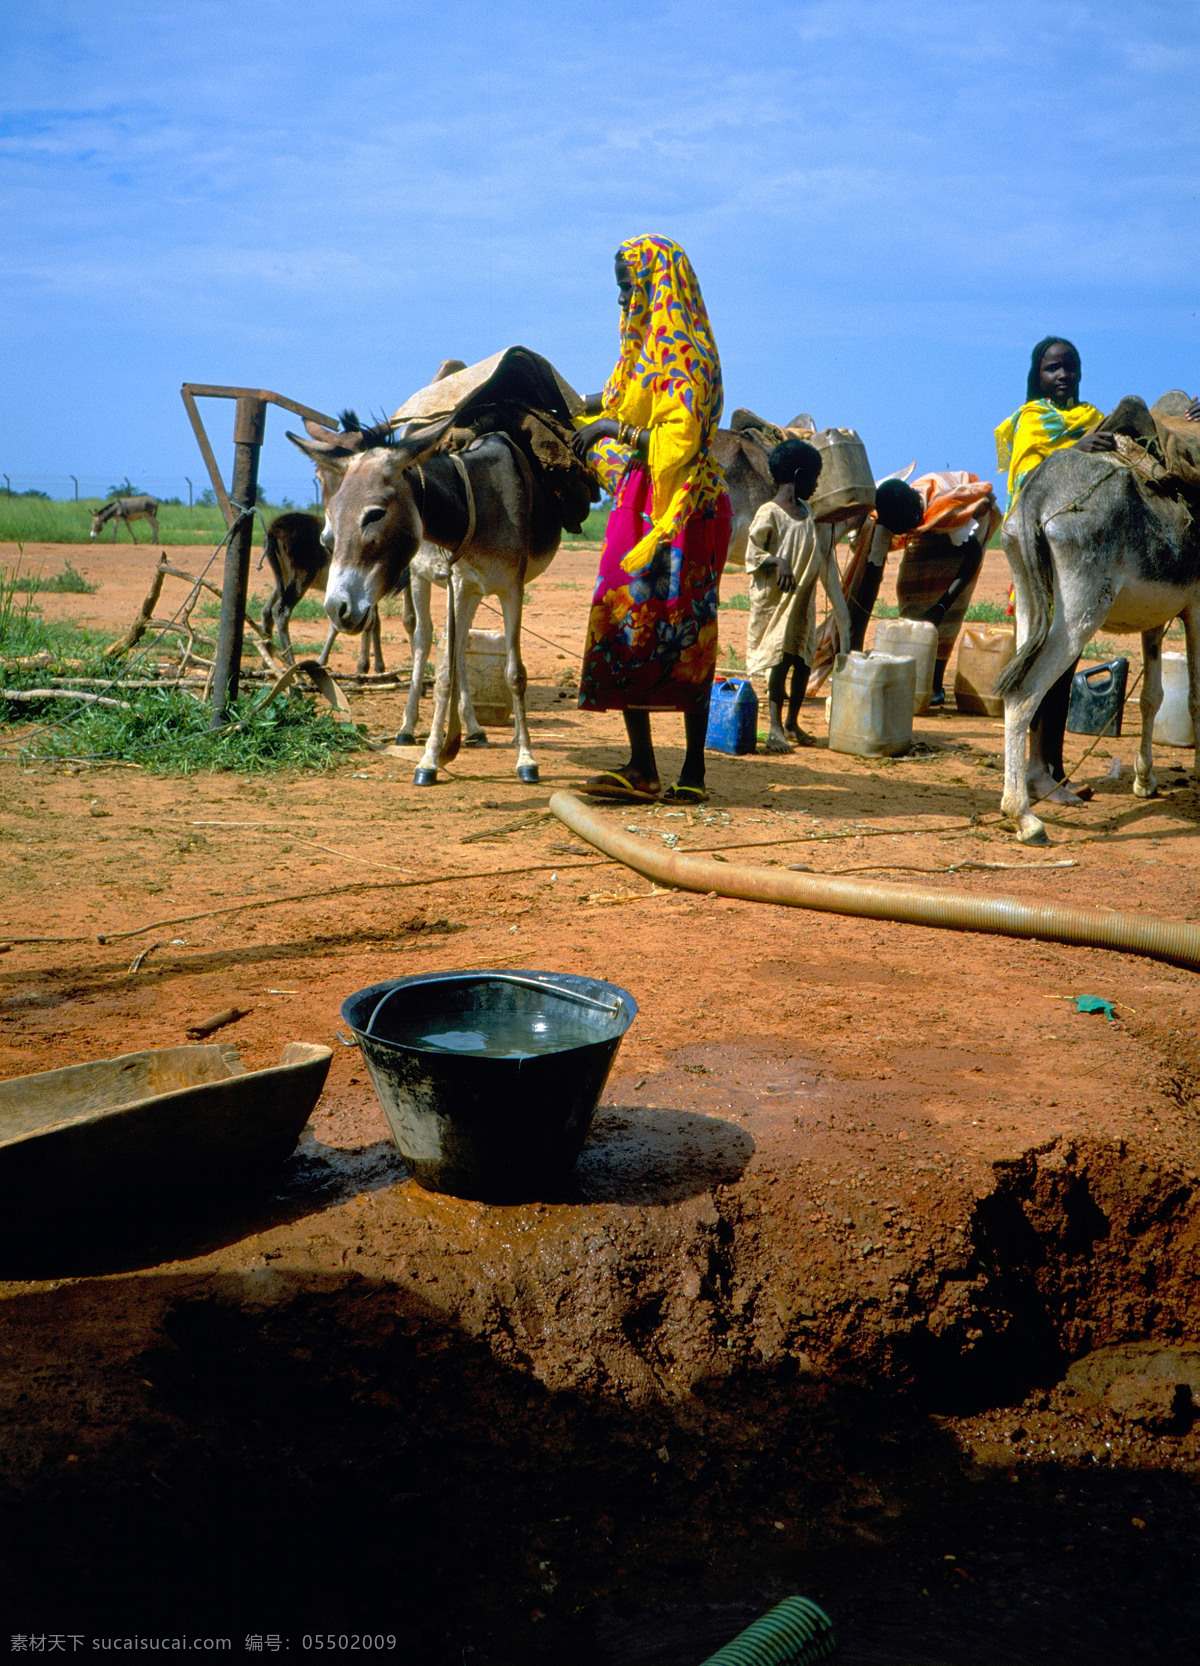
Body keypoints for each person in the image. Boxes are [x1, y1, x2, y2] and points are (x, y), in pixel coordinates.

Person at [572, 236, 731, 803]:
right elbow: (620, 397)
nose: (621, 300)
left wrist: (608, 432)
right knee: (628, 623)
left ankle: (685, 771)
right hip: (645, 500)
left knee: (684, 630)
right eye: (617, 288)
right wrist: (580, 405)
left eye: (628, 286)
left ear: (656, 283)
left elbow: (679, 440)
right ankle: (648, 767)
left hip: (681, 508)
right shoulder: (644, 349)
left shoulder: (683, 351)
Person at [994, 337, 1108, 805]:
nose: (1063, 376)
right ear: (1036, 375)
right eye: (1052, 368)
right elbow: (1027, 486)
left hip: (1080, 553)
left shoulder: (1093, 417)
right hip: (1041, 551)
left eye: (1070, 367)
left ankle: (1053, 768)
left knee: (1067, 657)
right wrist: (1075, 451)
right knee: (1047, 658)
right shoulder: (1031, 423)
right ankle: (1036, 769)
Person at [744, 437, 849, 750]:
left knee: (803, 660)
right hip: (777, 602)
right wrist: (777, 561)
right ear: (800, 474)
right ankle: (775, 727)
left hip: (802, 601)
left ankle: (792, 723)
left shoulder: (807, 511)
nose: (816, 485)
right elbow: (753, 552)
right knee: (780, 659)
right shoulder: (769, 513)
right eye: (814, 478)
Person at [894, 471, 1003, 706]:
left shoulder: (947, 512)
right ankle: (915, 675)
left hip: (971, 515)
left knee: (951, 609)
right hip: (928, 518)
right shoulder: (889, 508)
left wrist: (942, 606)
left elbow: (971, 557)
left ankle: (934, 683)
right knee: (912, 586)